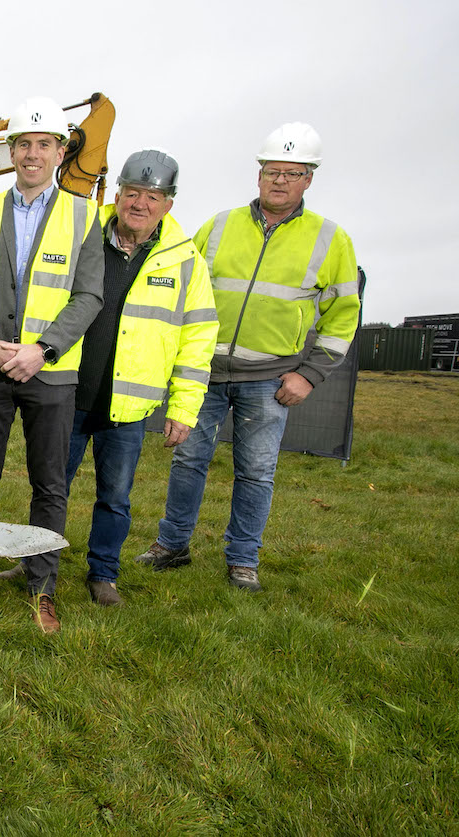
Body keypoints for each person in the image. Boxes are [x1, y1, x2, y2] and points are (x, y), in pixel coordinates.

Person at [134, 123, 360, 592]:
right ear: (259, 174)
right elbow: (181, 290)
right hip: (207, 372)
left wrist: (311, 375)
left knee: (256, 470)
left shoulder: (330, 239)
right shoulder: (218, 226)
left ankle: (242, 559)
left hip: (272, 378)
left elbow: (343, 316)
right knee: (188, 460)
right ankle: (172, 545)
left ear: (308, 180)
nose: (280, 181)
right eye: (272, 171)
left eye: (292, 173)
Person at [0, 96, 104, 634]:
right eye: (23, 144)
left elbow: (88, 297)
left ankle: (42, 586)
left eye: (44, 144)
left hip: (51, 373)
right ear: (10, 151)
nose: (33, 153)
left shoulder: (86, 216)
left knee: (50, 484)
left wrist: (43, 349)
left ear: (60, 151)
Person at [57, 149, 218, 607]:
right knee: (51, 487)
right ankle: (37, 562)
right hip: (67, 393)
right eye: (132, 193)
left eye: (153, 196)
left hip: (127, 406)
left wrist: (184, 409)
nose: (140, 204)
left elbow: (197, 340)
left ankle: (103, 574)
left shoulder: (186, 262)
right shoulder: (83, 237)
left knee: (115, 498)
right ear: (118, 196)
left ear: (169, 204)